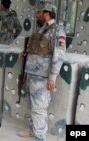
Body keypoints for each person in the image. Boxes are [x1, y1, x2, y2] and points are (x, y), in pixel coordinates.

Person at [17, 1, 66, 141]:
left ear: (47, 13)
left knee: (39, 108)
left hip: (43, 76)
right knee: (32, 105)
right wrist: (26, 52)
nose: (36, 14)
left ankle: (39, 137)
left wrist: (53, 77)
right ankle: (33, 130)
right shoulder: (42, 29)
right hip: (31, 73)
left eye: (39, 12)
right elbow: (38, 48)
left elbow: (59, 54)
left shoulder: (58, 30)